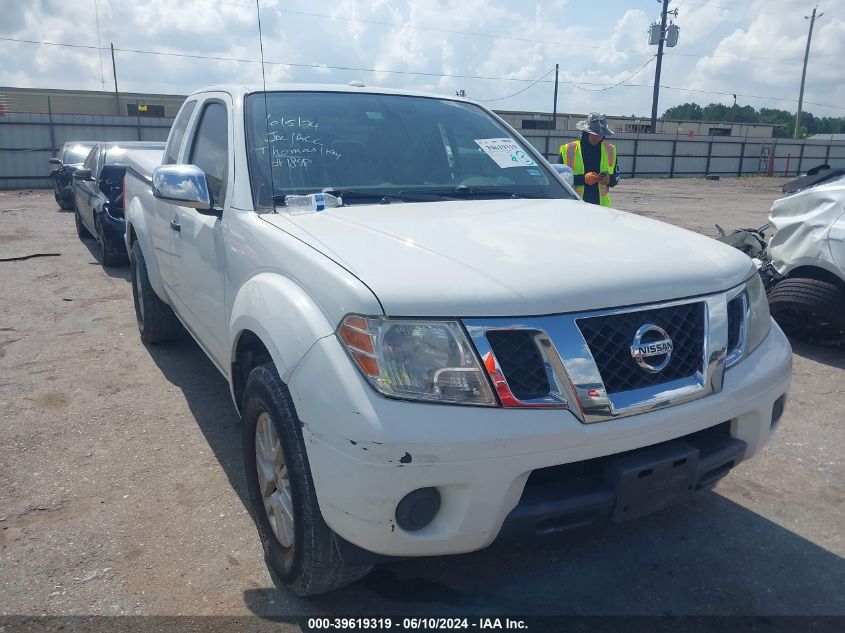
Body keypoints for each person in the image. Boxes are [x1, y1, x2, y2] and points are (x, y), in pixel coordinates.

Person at [560, 112, 619, 207]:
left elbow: (616, 177)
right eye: (594, 134)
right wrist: (583, 179)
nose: (598, 138)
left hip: (602, 208)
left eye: (601, 135)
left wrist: (609, 180)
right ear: (586, 132)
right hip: (575, 207)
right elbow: (558, 179)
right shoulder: (568, 150)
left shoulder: (610, 150)